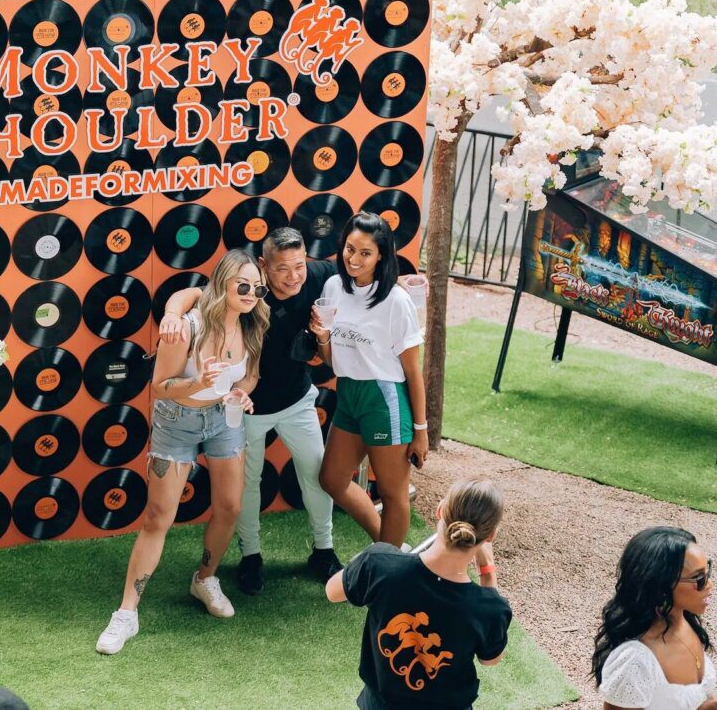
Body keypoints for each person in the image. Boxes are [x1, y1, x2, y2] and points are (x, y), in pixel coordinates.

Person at [96, 248, 269, 655]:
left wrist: (241, 394)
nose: (250, 294)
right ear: (222, 283)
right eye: (242, 285)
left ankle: (204, 579)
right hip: (178, 420)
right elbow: (161, 385)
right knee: (158, 517)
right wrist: (198, 384)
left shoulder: (256, 324)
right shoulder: (188, 328)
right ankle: (127, 612)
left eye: (256, 287)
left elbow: (253, 374)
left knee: (229, 507)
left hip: (224, 420)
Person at [160, 226, 342, 595]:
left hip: (298, 399)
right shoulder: (245, 291)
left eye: (299, 266)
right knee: (248, 486)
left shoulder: (316, 273)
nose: (293, 276)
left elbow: (355, 271)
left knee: (316, 473)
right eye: (281, 269)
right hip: (245, 409)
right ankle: (251, 556)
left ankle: (324, 551)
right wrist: (172, 312)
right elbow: (195, 291)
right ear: (262, 266)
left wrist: (397, 286)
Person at [326, 478, 510, 710]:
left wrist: (368, 559)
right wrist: (487, 573)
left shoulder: (379, 563)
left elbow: (332, 592)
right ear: (491, 536)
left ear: (440, 510)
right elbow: (490, 659)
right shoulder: (490, 606)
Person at [310, 211, 427, 547]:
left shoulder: (396, 300)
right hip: (348, 391)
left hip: (383, 398)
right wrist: (321, 337)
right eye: (350, 249)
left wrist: (420, 431)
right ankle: (388, 548)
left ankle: (387, 573)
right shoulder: (333, 286)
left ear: (381, 256)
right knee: (332, 479)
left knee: (393, 494)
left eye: (365, 253)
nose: (354, 259)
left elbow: (412, 372)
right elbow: (334, 360)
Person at [592, 526, 716, 709]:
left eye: (708, 571)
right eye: (698, 578)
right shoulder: (636, 661)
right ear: (660, 586)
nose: (709, 584)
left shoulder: (686, 623)